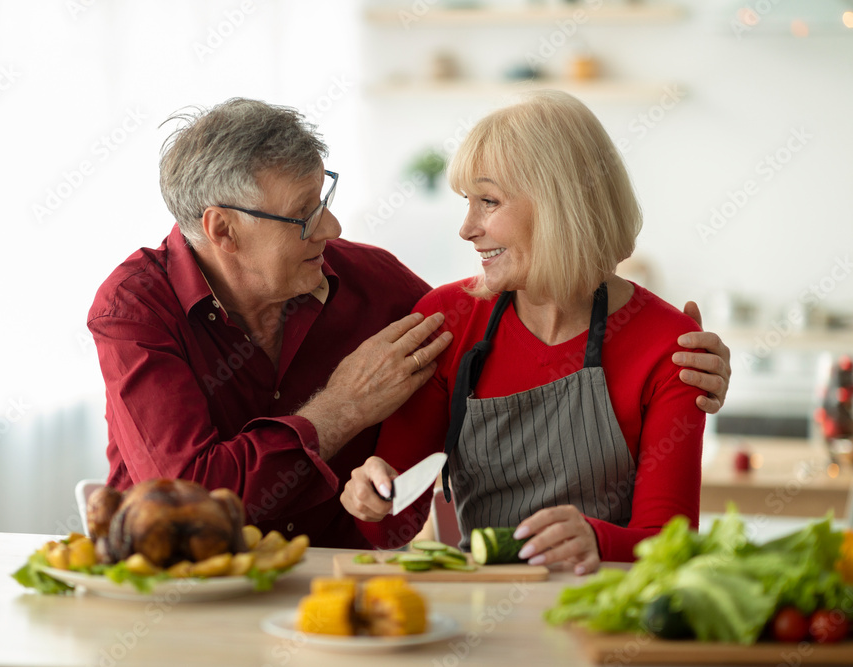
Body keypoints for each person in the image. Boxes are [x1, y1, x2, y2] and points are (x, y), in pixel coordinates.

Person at [88, 97, 731, 549]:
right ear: (222, 230)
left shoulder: (392, 295)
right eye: (305, 214)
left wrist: (699, 369)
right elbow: (194, 497)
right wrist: (342, 423)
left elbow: (667, 540)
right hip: (176, 583)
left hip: (338, 592)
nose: (333, 230)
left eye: (325, 201)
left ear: (559, 205)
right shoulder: (135, 310)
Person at [341, 90, 718, 572]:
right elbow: (393, 528)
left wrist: (596, 543)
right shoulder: (448, 319)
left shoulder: (671, 345)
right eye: (468, 203)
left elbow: (669, 545)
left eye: (488, 201)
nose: (467, 228)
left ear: (558, 205)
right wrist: (373, 497)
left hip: (603, 611)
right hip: (478, 612)